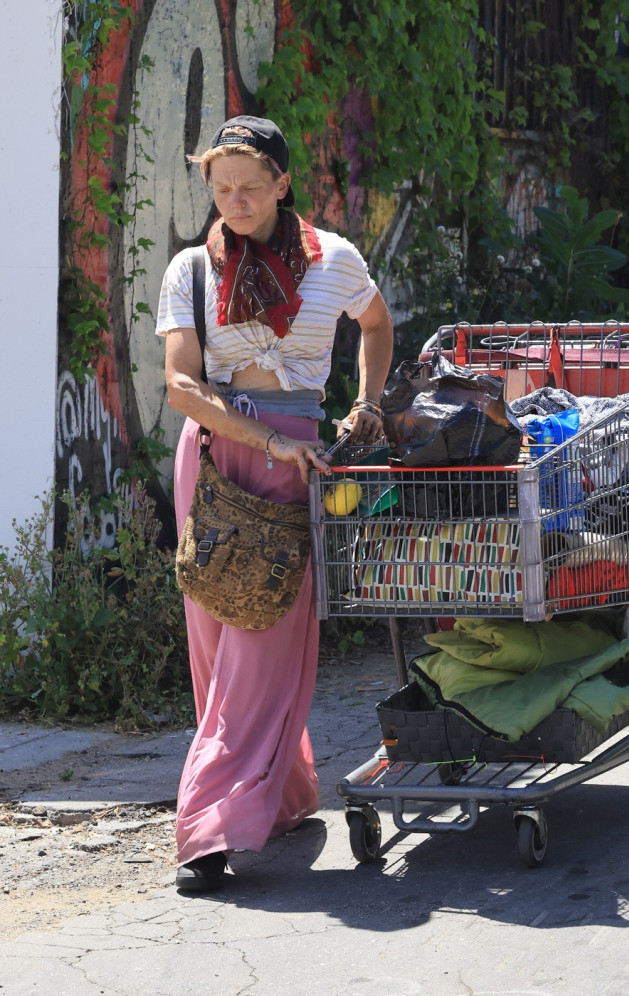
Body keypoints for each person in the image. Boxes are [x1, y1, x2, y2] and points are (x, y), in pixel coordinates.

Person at [155, 115, 393, 891]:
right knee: (220, 647)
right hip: (219, 461)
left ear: (283, 183)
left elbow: (376, 323)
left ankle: (208, 829)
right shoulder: (190, 271)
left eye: (250, 187)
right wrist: (265, 440)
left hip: (299, 465)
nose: (235, 201)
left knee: (264, 644)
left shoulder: (335, 260)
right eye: (221, 188)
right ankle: (280, 796)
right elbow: (182, 387)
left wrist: (368, 403)